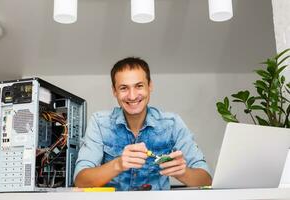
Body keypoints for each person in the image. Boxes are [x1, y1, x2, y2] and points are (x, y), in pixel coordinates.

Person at [74, 57, 212, 190]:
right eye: (123, 88)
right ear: (114, 91)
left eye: (139, 86)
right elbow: (80, 180)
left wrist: (183, 173)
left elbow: (206, 180)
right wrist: (118, 164)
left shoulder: (172, 123)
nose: (132, 96)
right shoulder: (99, 123)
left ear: (150, 86)